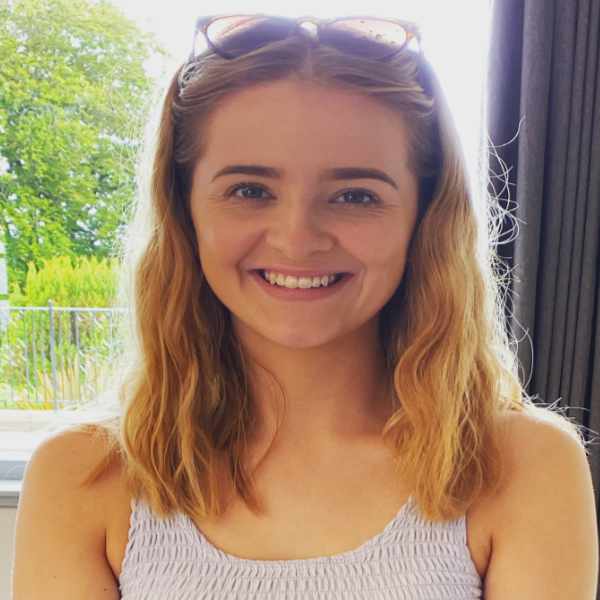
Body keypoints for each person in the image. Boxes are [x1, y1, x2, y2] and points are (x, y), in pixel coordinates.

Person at [12, 13, 598, 600]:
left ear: (424, 219)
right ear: (183, 210)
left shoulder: (523, 465)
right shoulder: (81, 476)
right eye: (249, 190)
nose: (297, 239)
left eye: (355, 195)